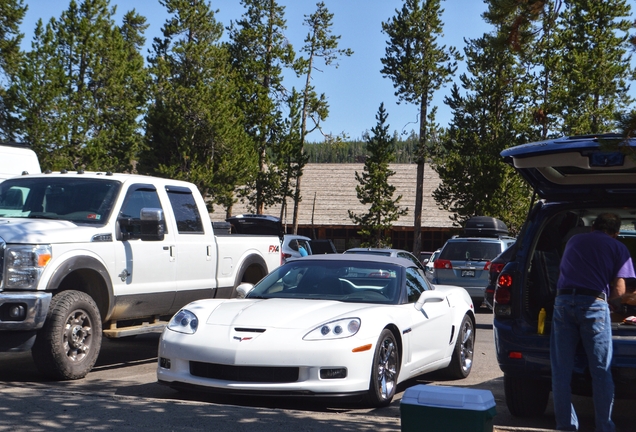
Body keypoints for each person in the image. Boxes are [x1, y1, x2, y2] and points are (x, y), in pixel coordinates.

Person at [551, 213, 635, 431]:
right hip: (593, 305)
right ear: (616, 233)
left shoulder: (574, 240)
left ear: (593, 228)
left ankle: (565, 426)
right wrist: (617, 303)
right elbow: (618, 291)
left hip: (562, 302)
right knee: (600, 371)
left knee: (561, 371)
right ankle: (604, 427)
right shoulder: (618, 248)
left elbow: (564, 270)